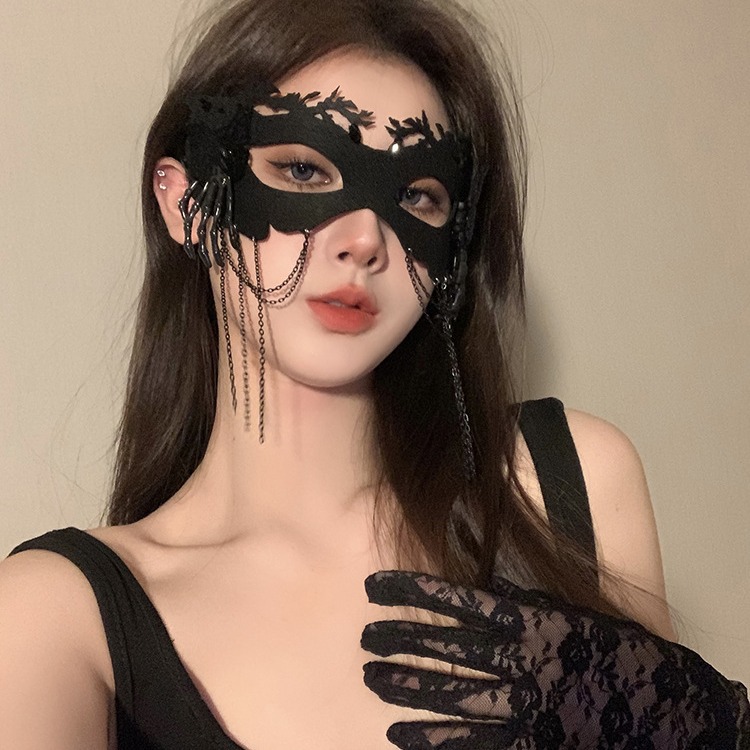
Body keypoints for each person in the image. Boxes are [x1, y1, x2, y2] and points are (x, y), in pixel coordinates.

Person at [0, 0, 747, 747]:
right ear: (186, 202)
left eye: (417, 195)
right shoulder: (56, 616)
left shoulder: (567, 482)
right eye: (303, 169)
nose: (365, 239)